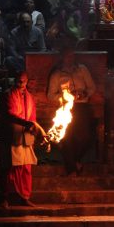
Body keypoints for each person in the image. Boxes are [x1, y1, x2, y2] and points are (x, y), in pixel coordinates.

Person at [0, 72, 45, 209]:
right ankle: (5, 198)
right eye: (19, 81)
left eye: (23, 81)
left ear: (27, 81)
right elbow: (10, 114)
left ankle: (25, 197)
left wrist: (37, 132)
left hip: (26, 138)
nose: (21, 84)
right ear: (15, 80)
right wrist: (26, 123)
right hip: (12, 137)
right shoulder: (8, 94)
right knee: (9, 168)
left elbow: (32, 118)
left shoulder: (30, 97)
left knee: (26, 169)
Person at [47, 47, 96, 176]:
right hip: (66, 109)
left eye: (72, 56)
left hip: (82, 107)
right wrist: (65, 96)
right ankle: (72, 169)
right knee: (67, 138)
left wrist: (84, 94)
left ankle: (75, 161)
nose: (70, 59)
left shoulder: (82, 69)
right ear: (62, 58)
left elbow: (92, 88)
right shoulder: (57, 74)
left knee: (86, 136)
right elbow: (50, 95)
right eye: (68, 56)